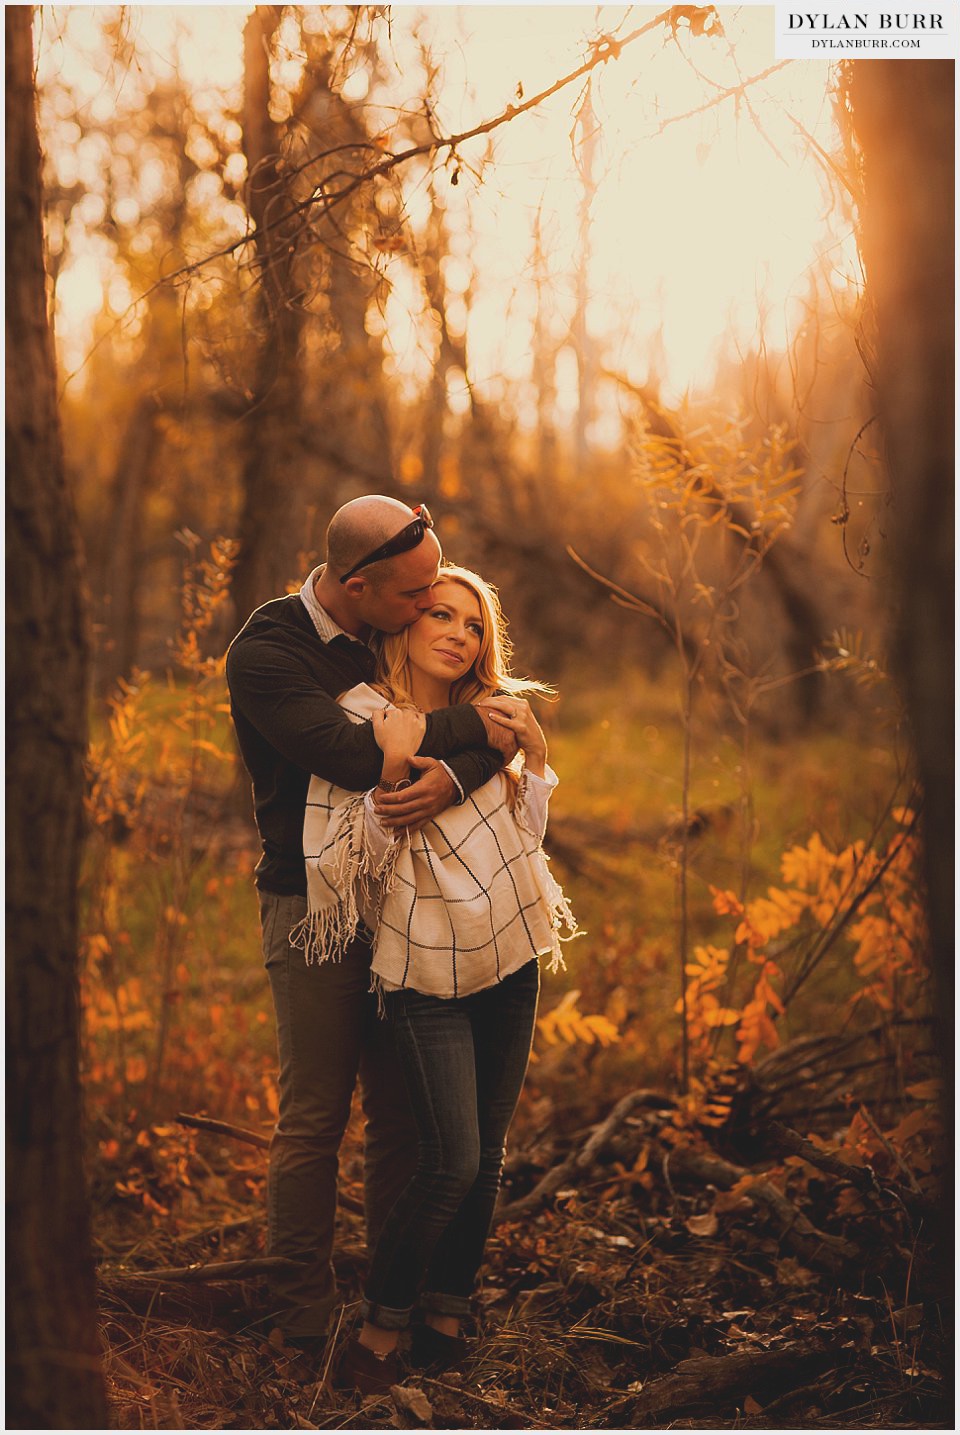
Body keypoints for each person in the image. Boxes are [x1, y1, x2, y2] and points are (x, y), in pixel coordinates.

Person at [226, 498, 513, 1347]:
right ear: (359, 586)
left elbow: (464, 703)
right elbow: (357, 758)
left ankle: (393, 1293)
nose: (431, 607)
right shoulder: (270, 651)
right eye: (417, 593)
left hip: (403, 898)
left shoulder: (387, 633)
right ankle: (301, 1314)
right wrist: (484, 728)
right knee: (315, 1114)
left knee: (400, 1113)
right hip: (309, 904)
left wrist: (462, 767)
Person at [293, 565, 577, 1392]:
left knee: (486, 1156)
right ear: (406, 624)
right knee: (448, 1156)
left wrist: (538, 757)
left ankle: (448, 1311)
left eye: (475, 623)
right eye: (441, 616)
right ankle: (383, 1320)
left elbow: (525, 836)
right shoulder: (363, 717)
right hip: (420, 968)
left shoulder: (499, 716)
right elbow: (346, 864)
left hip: (511, 952)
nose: (459, 633)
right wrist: (390, 777)